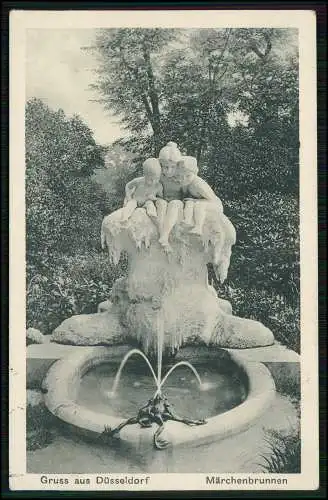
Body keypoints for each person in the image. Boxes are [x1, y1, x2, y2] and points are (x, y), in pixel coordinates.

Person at [177, 156, 223, 235]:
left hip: (214, 204)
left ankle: (198, 227)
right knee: (190, 203)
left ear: (194, 173)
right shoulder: (185, 183)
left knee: (199, 205)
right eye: (181, 176)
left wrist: (196, 201)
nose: (184, 179)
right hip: (200, 202)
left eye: (188, 176)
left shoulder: (198, 184)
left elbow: (212, 199)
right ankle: (187, 220)